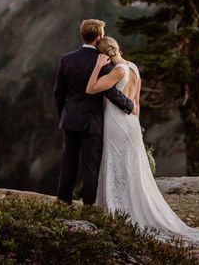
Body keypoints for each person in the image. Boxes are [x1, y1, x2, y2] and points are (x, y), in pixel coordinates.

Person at [86, 36, 199, 246]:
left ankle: (118, 210)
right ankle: (129, 204)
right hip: (131, 122)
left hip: (115, 122)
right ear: (118, 48)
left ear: (104, 55)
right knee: (131, 165)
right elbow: (136, 101)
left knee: (116, 163)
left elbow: (91, 88)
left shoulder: (117, 71)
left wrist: (97, 67)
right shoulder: (133, 67)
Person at [54, 19, 138, 205]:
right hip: (93, 121)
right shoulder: (103, 61)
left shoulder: (66, 59)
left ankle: (63, 201)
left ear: (82, 35)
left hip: (71, 118)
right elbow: (110, 91)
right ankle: (89, 205)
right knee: (90, 166)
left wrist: (64, 115)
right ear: (99, 37)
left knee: (69, 162)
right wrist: (130, 106)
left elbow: (59, 94)